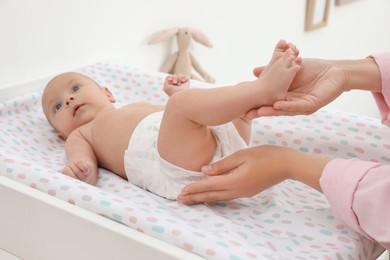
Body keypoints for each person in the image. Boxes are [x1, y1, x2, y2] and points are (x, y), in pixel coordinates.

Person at [177, 52, 390, 250]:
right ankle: (258, 91)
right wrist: (343, 72)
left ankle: (259, 90)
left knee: (181, 106)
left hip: (164, 143)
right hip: (180, 141)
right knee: (214, 112)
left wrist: (286, 163)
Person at [41, 40, 301, 200]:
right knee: (179, 107)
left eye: (75, 89)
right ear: (61, 134)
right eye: (57, 107)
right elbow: (82, 162)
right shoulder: (80, 134)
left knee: (225, 109)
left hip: (216, 145)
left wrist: (179, 97)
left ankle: (252, 97)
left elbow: (177, 126)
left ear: (107, 93)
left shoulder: (131, 108)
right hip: (167, 164)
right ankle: (263, 90)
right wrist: (80, 168)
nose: (69, 101)